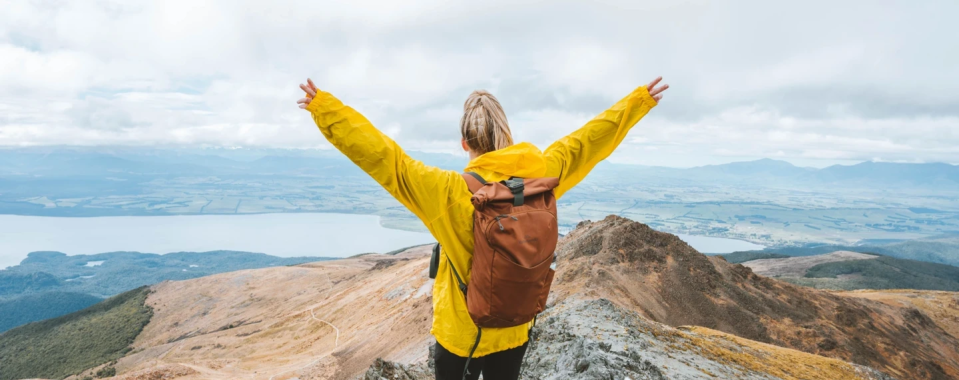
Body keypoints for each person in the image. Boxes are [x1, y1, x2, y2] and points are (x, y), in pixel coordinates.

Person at [297, 76, 668, 380]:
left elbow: (384, 157)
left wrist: (325, 109)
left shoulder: (446, 192)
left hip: (462, 332)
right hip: (515, 324)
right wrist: (637, 102)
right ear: (507, 135)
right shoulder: (543, 174)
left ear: (464, 143)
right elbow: (587, 142)